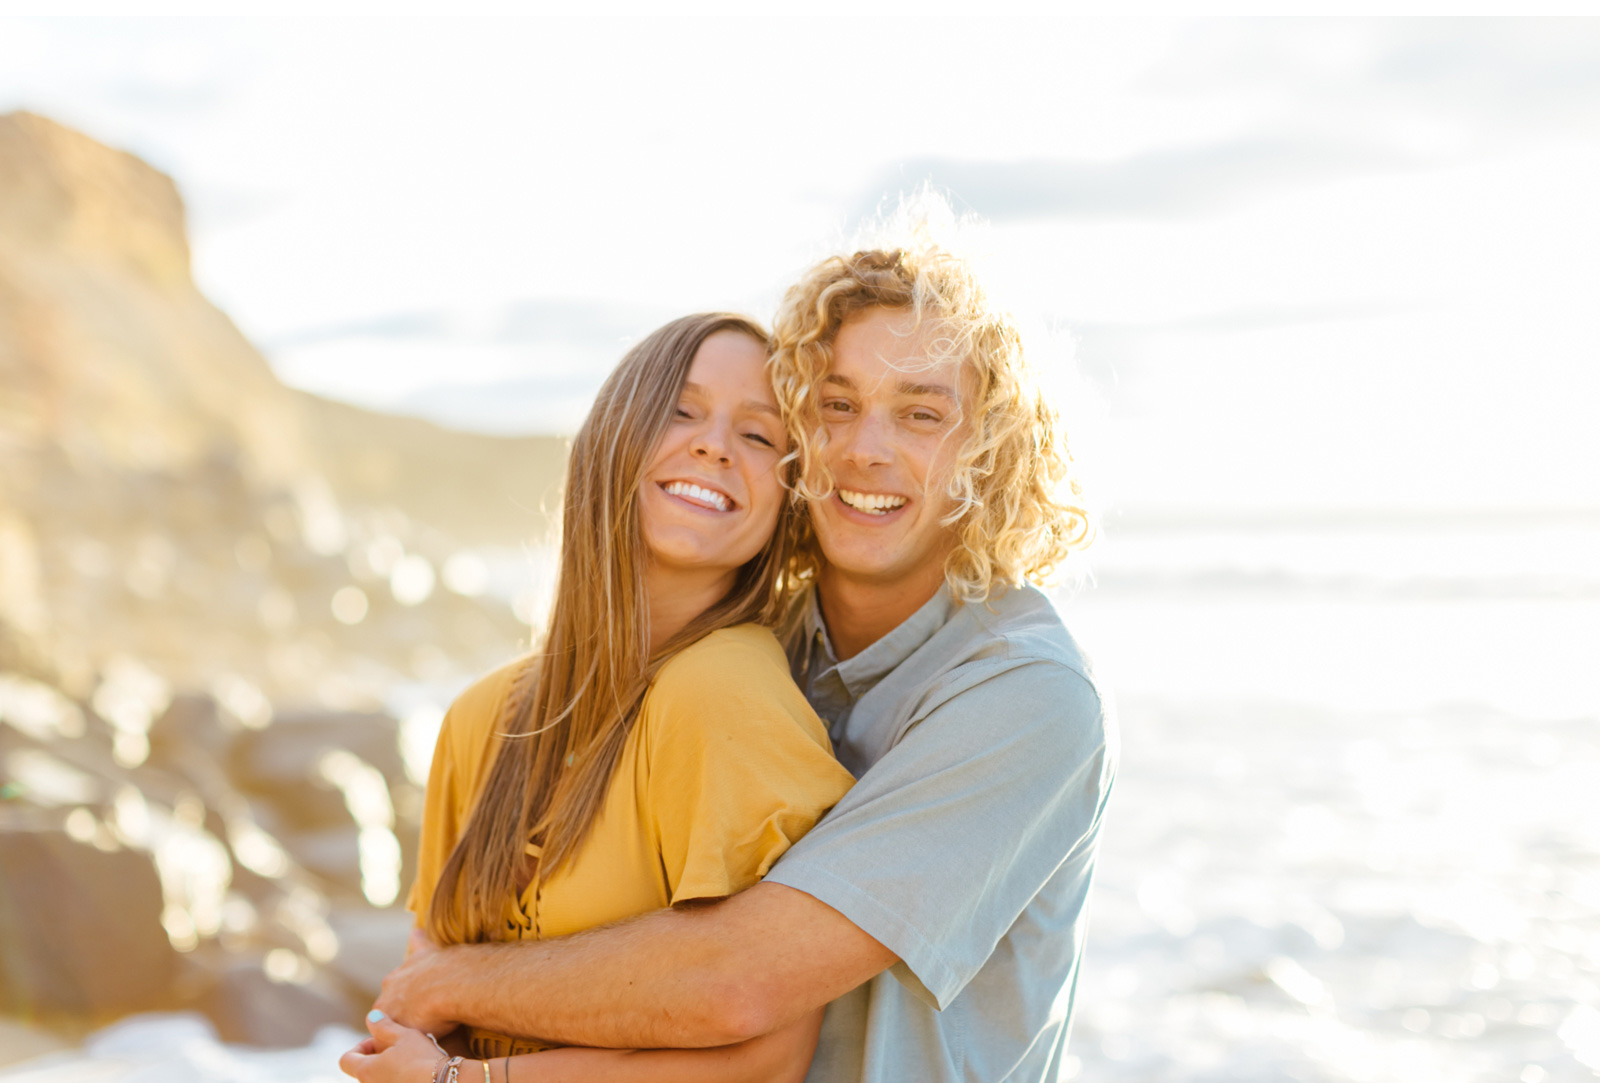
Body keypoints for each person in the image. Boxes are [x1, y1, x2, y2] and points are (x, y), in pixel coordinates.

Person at [373, 237, 1116, 1083]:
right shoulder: (739, 646)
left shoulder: (1027, 694)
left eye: (920, 413)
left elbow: (734, 984)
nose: (864, 448)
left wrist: (456, 999)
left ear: (994, 453)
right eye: (836, 404)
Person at [340, 313, 856, 1083]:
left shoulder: (725, 695)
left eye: (759, 436)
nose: (714, 443)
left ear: (785, 503)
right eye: (680, 410)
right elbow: (415, 997)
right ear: (613, 433)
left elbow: (764, 1056)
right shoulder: (481, 717)